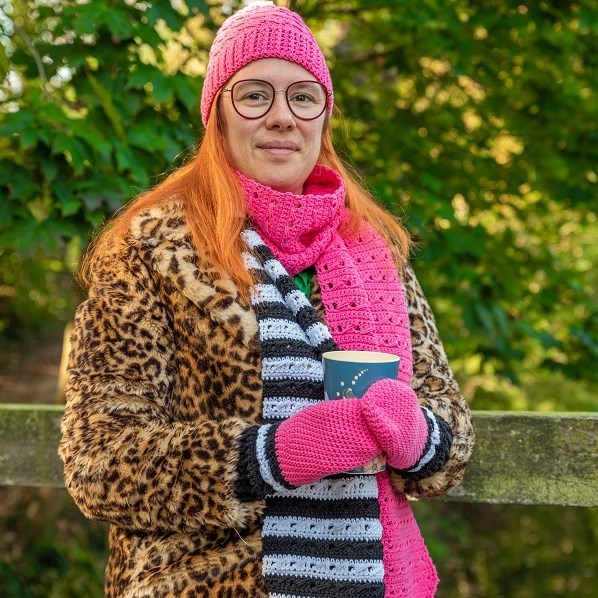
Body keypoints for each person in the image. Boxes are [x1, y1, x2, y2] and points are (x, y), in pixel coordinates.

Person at [59, 2, 475, 597]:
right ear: (218, 118)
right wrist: (273, 454)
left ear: (323, 119)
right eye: (255, 95)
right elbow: (100, 462)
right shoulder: (149, 249)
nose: (283, 118)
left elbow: (451, 433)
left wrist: (417, 437)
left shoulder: (375, 252)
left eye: (303, 97)